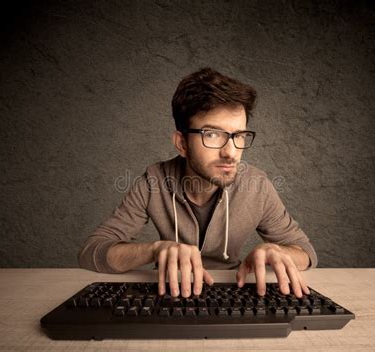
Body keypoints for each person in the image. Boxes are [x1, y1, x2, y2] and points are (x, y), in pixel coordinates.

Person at [78, 67, 318, 299]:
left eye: (239, 136)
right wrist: (156, 249)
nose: (230, 152)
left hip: (232, 292)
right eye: (212, 134)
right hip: (167, 293)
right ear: (182, 143)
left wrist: (278, 251)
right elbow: (92, 252)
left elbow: (306, 253)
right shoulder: (153, 182)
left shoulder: (257, 185)